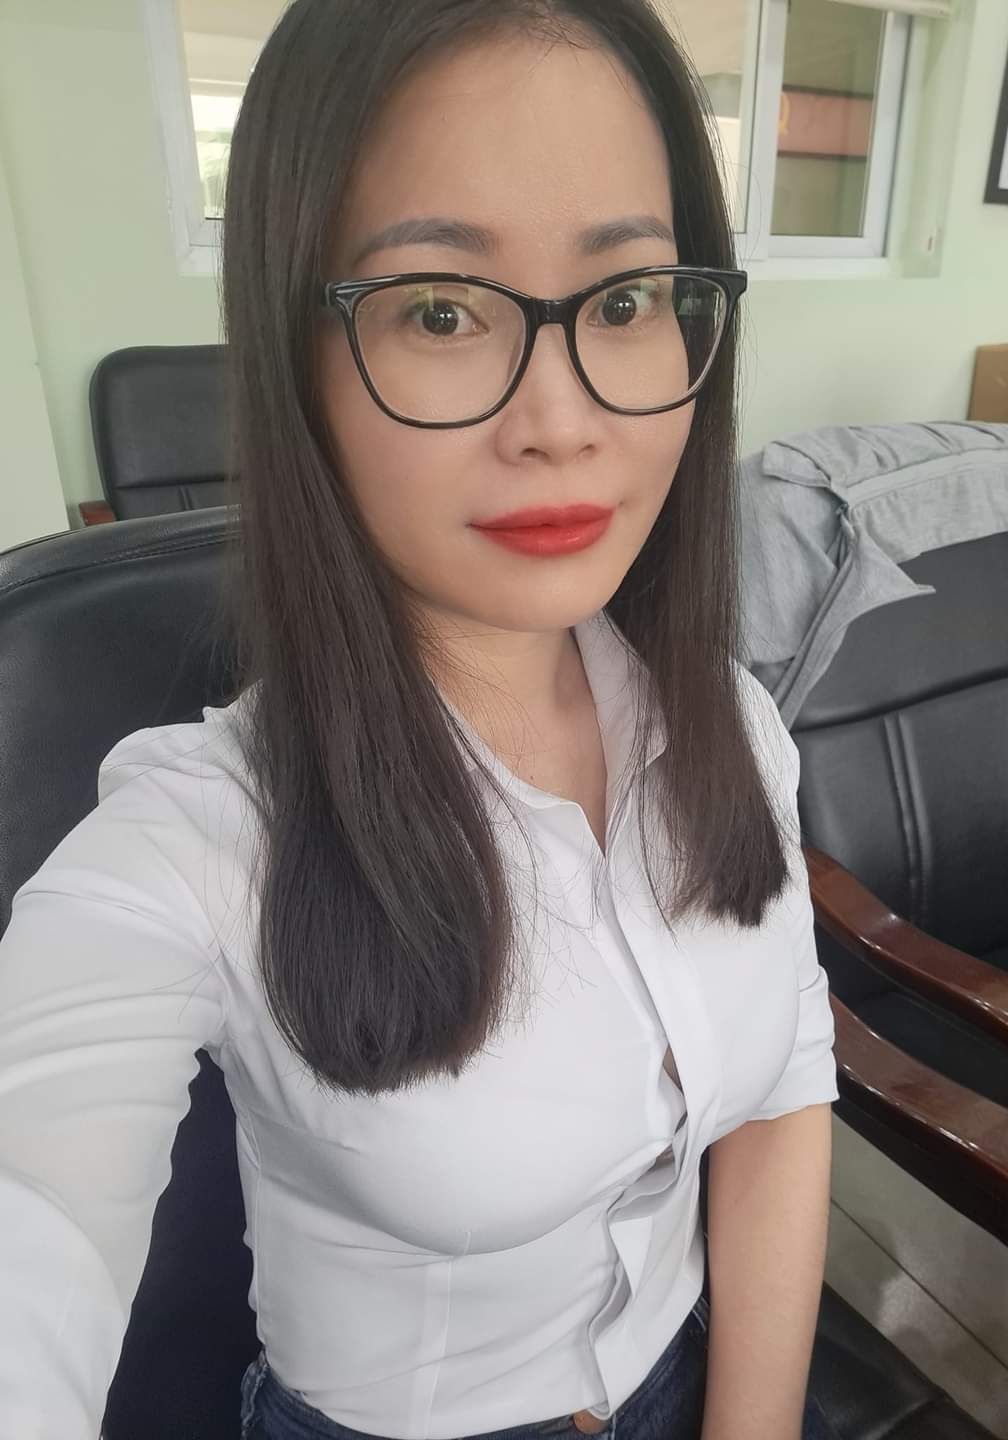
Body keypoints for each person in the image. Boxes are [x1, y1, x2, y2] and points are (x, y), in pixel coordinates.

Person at [0, 2, 840, 1437]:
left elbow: (779, 1096)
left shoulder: (733, 729)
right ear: (296, 360)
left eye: (625, 299)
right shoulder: (197, 841)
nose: (562, 420)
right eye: (441, 311)